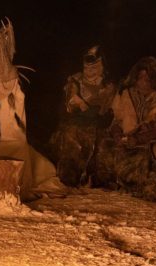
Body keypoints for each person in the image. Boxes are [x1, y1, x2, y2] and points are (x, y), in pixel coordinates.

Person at [0, 19, 70, 200]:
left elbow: (17, 115)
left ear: (0, 52)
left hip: (7, 136)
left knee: (16, 153)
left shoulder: (10, 77)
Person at [107, 56, 156, 200]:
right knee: (105, 148)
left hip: (151, 143)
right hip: (127, 142)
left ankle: (147, 186)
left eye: (147, 78)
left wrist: (137, 139)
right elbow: (116, 121)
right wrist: (117, 135)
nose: (142, 82)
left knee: (148, 156)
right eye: (140, 77)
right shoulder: (127, 95)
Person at [49, 46, 115, 187]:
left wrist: (97, 114)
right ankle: (69, 179)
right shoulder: (74, 81)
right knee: (71, 140)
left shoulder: (108, 86)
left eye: (94, 67)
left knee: (103, 147)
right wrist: (82, 108)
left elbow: (107, 112)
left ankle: (98, 179)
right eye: (87, 67)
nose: (90, 71)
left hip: (98, 128)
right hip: (75, 127)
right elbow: (69, 107)